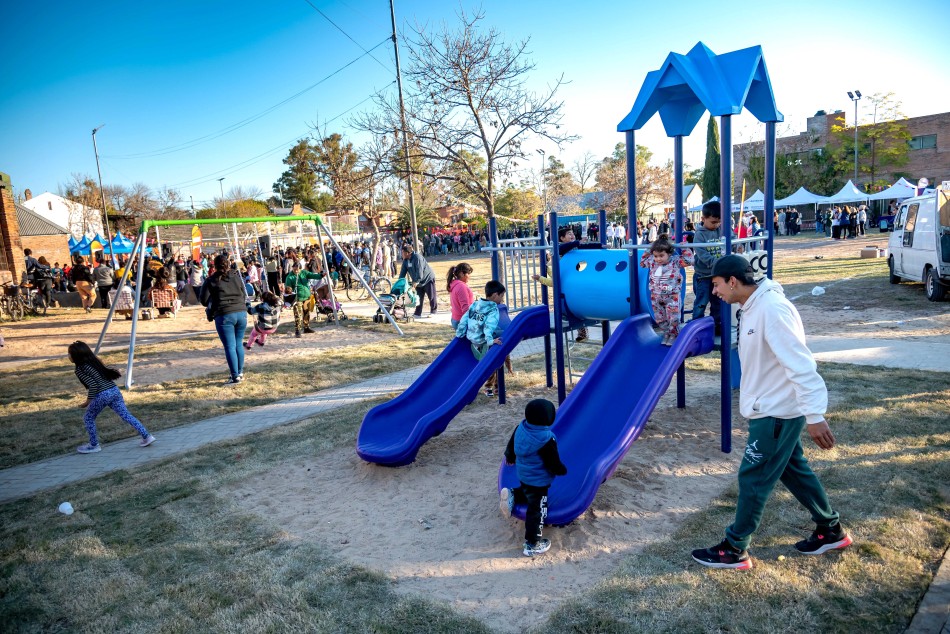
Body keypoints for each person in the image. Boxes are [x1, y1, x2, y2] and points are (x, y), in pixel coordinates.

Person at [690, 255, 852, 570]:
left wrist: (815, 415)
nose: (714, 292)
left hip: (776, 413)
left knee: (752, 477)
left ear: (732, 281)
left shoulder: (772, 310)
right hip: (771, 407)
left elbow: (800, 364)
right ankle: (830, 530)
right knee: (794, 471)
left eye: (716, 284)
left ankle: (734, 549)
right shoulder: (751, 307)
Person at [500, 398, 568, 557]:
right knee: (537, 509)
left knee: (528, 491)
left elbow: (511, 443)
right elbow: (552, 461)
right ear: (549, 418)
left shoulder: (521, 427)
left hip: (524, 474)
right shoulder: (546, 439)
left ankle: (512, 494)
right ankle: (532, 544)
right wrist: (560, 469)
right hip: (538, 479)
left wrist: (509, 456)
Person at [68, 340, 155, 454]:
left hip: (103, 394)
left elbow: (94, 385)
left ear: (76, 356)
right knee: (126, 415)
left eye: (69, 353)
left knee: (88, 417)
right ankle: (147, 436)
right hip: (114, 391)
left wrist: (87, 401)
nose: (68, 356)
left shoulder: (80, 369)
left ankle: (94, 445)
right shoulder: (94, 362)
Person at [200, 254, 249, 385]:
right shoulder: (236, 276)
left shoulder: (211, 280)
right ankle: (240, 372)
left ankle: (235, 376)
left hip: (224, 314)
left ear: (214, 266)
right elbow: (244, 294)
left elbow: (203, 300)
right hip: (241, 313)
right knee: (238, 344)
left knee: (230, 346)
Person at [639, 234, 694, 345]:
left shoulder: (675, 261)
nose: (658, 259)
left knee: (673, 318)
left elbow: (689, 261)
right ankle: (666, 333)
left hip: (672, 295)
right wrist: (649, 249)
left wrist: (684, 248)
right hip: (656, 295)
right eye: (655, 256)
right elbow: (642, 262)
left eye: (661, 256)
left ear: (669, 253)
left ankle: (674, 334)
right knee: (660, 319)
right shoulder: (652, 262)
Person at [455, 280, 506, 397]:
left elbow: (464, 320)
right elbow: (489, 326)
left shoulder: (475, 304)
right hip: (483, 341)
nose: (502, 299)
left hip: (472, 340)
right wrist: (490, 341)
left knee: (498, 331)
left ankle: (493, 385)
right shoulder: (493, 309)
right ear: (494, 295)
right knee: (503, 337)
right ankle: (490, 385)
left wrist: (459, 333)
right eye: (501, 296)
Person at [691, 201, 725, 335]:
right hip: (703, 275)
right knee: (701, 302)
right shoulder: (700, 234)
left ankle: (716, 326)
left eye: (718, 222)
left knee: (718, 302)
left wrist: (735, 245)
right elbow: (701, 253)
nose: (716, 225)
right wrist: (715, 262)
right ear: (703, 219)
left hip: (717, 275)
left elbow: (731, 239)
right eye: (713, 222)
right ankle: (696, 326)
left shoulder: (720, 230)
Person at [284, 260, 324, 337]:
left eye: (298, 269)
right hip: (297, 299)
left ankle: (306, 327)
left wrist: (321, 275)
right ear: (292, 268)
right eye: (295, 269)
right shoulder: (290, 277)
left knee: (306, 312)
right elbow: (288, 288)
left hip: (306, 297)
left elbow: (313, 275)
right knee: (298, 314)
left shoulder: (304, 273)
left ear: (300, 269)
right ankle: (297, 330)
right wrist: (288, 290)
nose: (296, 270)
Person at [398, 243, 438, 318]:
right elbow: (402, 273)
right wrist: (400, 283)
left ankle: (433, 311)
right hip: (417, 281)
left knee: (431, 296)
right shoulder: (405, 261)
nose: (401, 254)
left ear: (408, 253)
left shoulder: (417, 257)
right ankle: (417, 313)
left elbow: (420, 272)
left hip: (427, 278)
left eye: (403, 253)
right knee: (419, 297)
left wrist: (416, 282)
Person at [447, 262, 475, 330]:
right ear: (462, 274)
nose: (469, 276)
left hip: (456, 319)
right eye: (468, 274)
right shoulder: (461, 287)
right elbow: (465, 308)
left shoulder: (454, 284)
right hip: (462, 320)